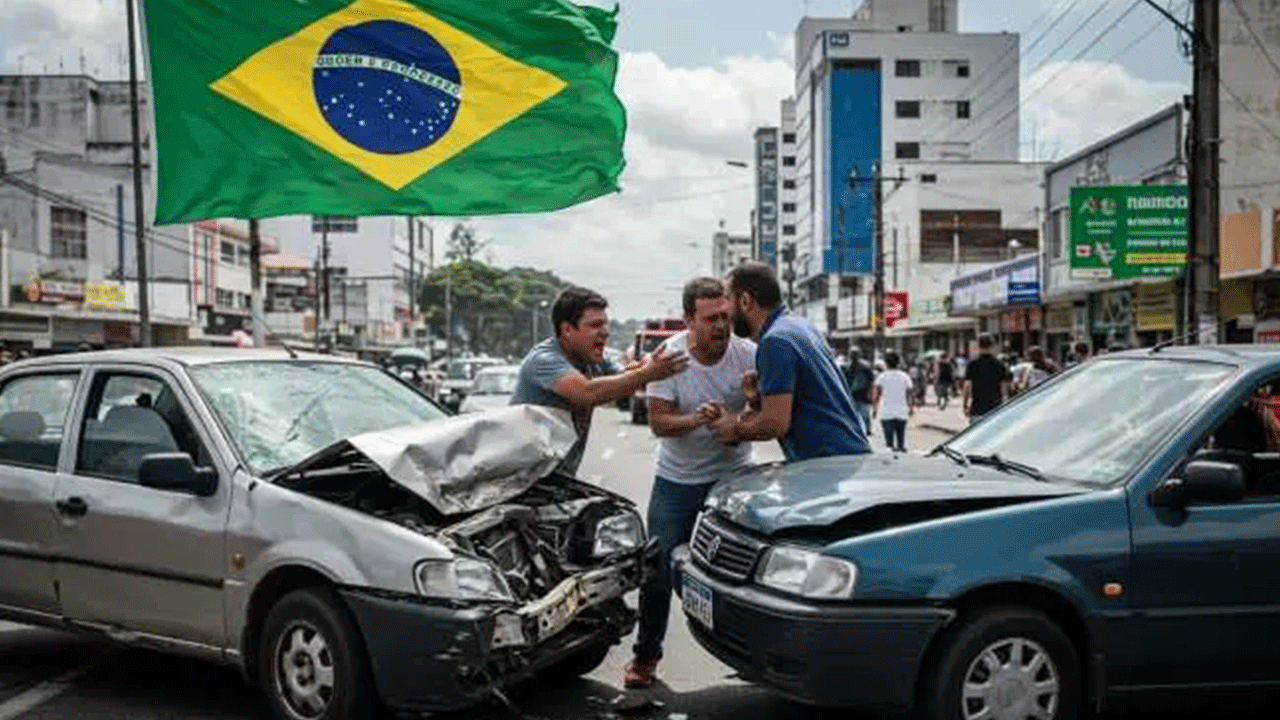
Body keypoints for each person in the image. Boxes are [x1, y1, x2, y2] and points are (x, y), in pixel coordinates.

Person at [624, 278, 757, 689]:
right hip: (677, 482)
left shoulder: (748, 354)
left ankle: (751, 656)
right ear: (688, 320)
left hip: (733, 477)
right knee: (658, 568)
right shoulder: (670, 357)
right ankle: (646, 657)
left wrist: (751, 401)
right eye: (710, 318)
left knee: (746, 570)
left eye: (725, 316)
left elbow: (765, 413)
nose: (721, 325)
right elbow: (659, 423)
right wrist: (697, 419)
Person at [510, 286, 688, 476]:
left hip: (559, 478)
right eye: (595, 325)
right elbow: (586, 393)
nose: (605, 333)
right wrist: (647, 373)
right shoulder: (544, 359)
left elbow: (625, 378)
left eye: (605, 324)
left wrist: (653, 364)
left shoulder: (594, 360)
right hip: (521, 480)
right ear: (567, 330)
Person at [709, 262, 870, 460]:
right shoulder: (799, 325)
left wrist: (734, 428)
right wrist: (759, 398)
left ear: (745, 301)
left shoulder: (775, 342)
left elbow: (775, 423)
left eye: (728, 299)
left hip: (827, 462)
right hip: (845, 455)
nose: (726, 312)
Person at [962, 334, 1011, 423]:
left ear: (978, 346)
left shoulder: (973, 364)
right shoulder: (999, 365)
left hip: (977, 409)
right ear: (992, 346)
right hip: (996, 409)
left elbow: (967, 386)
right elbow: (1005, 388)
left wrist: (965, 404)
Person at [873, 351, 913, 452]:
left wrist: (875, 409)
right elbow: (909, 394)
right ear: (898, 363)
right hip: (901, 412)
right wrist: (911, 408)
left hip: (886, 413)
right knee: (901, 442)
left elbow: (876, 396)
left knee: (889, 445)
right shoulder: (904, 376)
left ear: (886, 363)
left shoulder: (881, 377)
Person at [843, 348, 876, 436]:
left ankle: (859, 431)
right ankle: (866, 431)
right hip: (863, 396)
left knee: (856, 416)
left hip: (853, 396)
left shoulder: (846, 367)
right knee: (864, 416)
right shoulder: (865, 366)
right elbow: (872, 382)